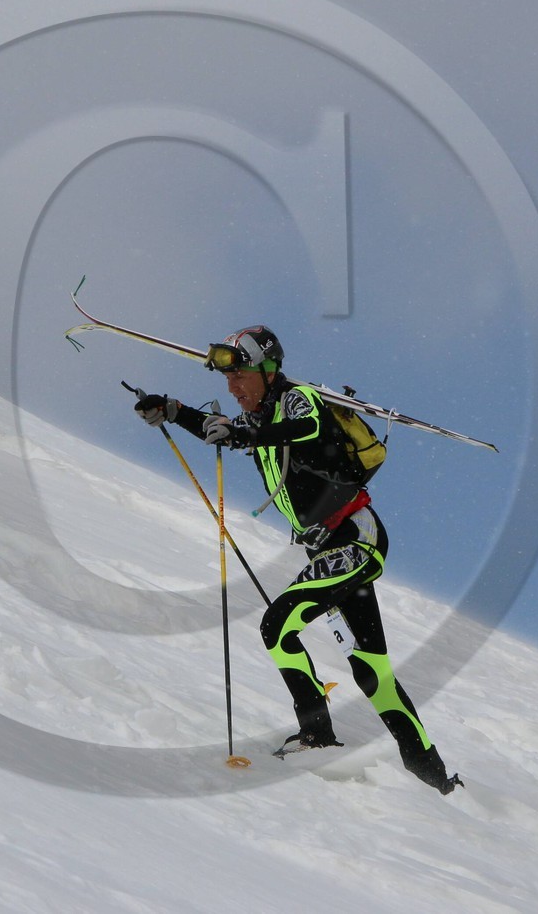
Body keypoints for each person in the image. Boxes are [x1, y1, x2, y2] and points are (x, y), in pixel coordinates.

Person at [133, 326, 463, 795]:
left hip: (354, 539)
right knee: (372, 671)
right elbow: (227, 433)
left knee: (276, 625)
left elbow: (304, 428)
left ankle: (317, 736)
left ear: (268, 371)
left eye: (240, 376)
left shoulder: (297, 401)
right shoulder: (262, 417)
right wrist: (172, 410)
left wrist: (244, 429)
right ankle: (437, 784)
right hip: (329, 547)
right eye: (227, 380)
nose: (232, 388)